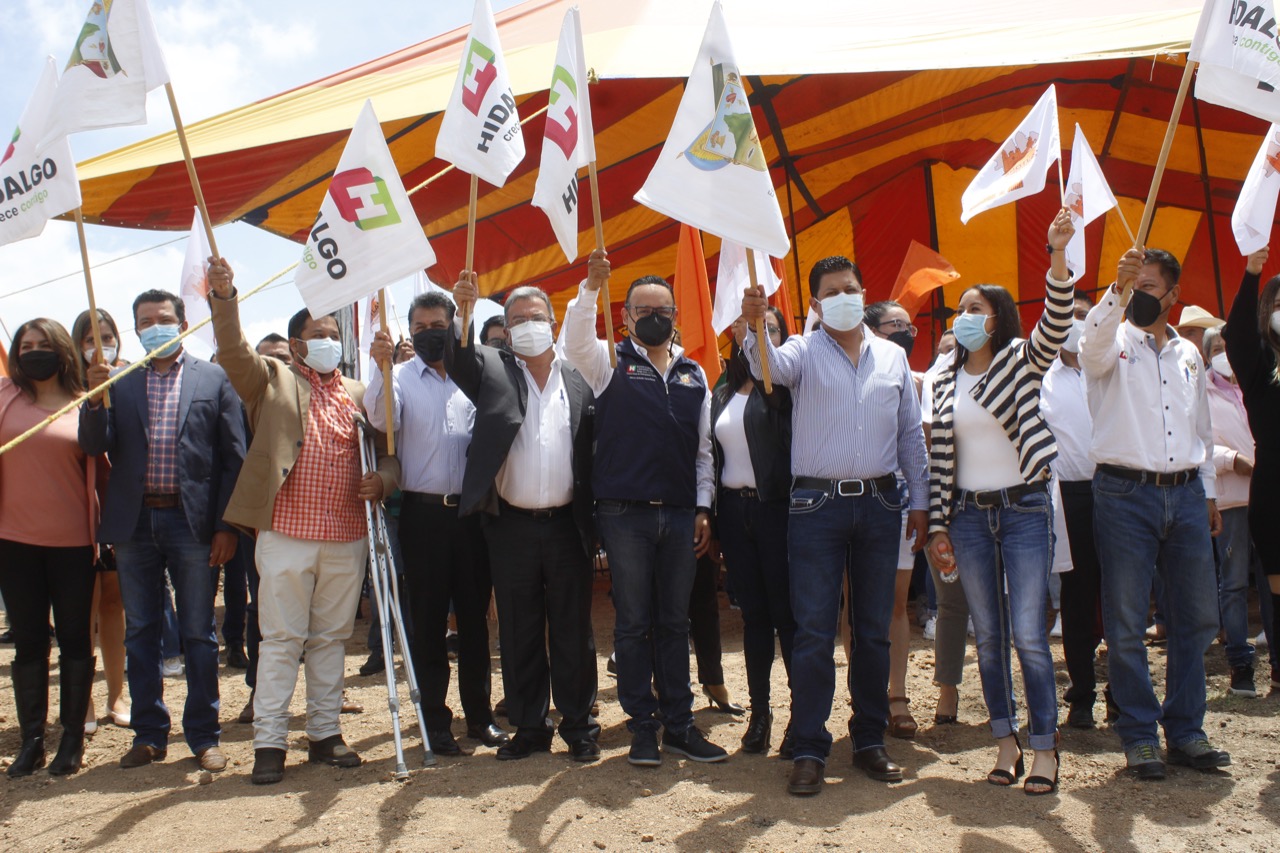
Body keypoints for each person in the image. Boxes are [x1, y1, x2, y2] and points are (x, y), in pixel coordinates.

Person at [740, 255, 928, 797]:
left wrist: (920, 503)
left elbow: (911, 437)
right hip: (815, 507)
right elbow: (766, 369)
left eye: (852, 287)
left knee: (871, 630)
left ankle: (869, 739)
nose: (844, 296)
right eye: (832, 291)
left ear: (863, 291)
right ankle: (809, 747)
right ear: (817, 304)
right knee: (815, 632)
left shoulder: (893, 357)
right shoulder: (800, 350)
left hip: (880, 503)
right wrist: (755, 326)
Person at [207, 259, 397, 784]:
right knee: (282, 640)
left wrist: (383, 481)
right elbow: (233, 353)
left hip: (346, 537)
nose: (328, 343)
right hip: (286, 533)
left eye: (334, 335)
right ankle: (269, 741)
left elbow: (391, 451)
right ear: (295, 345)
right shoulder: (269, 380)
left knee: (332, 638)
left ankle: (324, 733)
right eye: (318, 335)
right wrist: (225, 298)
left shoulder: (363, 391)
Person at [926, 209, 1075, 795]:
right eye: (960, 309)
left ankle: (1045, 747)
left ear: (998, 319)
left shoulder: (1019, 361)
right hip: (966, 516)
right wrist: (938, 525)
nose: (964, 317)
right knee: (986, 636)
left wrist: (1056, 251)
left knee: (1029, 636)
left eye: (976, 309)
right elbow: (940, 462)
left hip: (1024, 510)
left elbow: (1057, 324)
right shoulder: (942, 380)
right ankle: (1005, 741)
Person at [563, 250, 728, 767]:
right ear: (626, 317)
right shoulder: (608, 363)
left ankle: (679, 724)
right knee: (633, 623)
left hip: (680, 517)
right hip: (625, 516)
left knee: (674, 622)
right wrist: (590, 288)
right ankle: (641, 725)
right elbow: (574, 341)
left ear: (675, 315)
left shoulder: (694, 373)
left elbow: (704, 451)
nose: (653, 317)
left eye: (663, 310)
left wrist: (704, 507)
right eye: (643, 310)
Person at [432, 275, 600, 762]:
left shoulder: (579, 377)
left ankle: (580, 726)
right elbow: (459, 355)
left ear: (553, 323)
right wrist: (462, 311)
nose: (529, 326)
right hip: (511, 527)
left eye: (536, 318)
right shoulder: (491, 369)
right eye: (518, 320)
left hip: (569, 526)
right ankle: (530, 726)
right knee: (520, 629)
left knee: (573, 630)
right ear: (505, 330)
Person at [80, 289, 246, 772]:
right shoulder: (119, 380)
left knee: (197, 633)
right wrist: (94, 400)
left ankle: (203, 735)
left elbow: (232, 458)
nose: (156, 326)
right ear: (135, 330)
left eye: (165, 318)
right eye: (146, 321)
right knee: (142, 633)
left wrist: (226, 526)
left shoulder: (214, 378)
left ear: (183, 322)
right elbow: (94, 444)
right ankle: (149, 734)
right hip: (133, 525)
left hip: (193, 525)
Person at [1079, 246, 1229, 780]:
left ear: (1173, 296)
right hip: (1124, 494)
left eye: (1148, 286)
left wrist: (1207, 493)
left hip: (1186, 493)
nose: (1139, 292)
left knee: (1198, 617)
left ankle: (1187, 729)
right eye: (1133, 284)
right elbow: (1089, 348)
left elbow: (1203, 431)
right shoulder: (1112, 339)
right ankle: (1140, 734)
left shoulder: (1189, 354)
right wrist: (1115, 292)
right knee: (1125, 622)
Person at [365, 290, 506, 757]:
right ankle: (436, 724)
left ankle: (480, 719)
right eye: (420, 327)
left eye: (438, 325)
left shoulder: (475, 378)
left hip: (472, 517)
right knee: (427, 626)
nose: (430, 334)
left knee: (472, 623)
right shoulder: (400, 378)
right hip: (423, 518)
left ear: (453, 326)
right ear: (409, 330)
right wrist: (380, 366)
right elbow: (378, 415)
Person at [1, 319, 104, 777]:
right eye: (26, 346)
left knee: (75, 639)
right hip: (13, 541)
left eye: (43, 345)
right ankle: (32, 741)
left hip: (73, 542)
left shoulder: (85, 400)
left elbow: (104, 456)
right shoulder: (4, 397)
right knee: (27, 641)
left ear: (60, 350)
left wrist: (100, 403)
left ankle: (72, 740)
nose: (33, 352)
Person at [711, 312, 795, 755]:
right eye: (743, 327)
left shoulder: (785, 391)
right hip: (733, 513)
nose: (754, 334)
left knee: (789, 618)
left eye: (767, 328)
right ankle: (760, 714)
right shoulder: (722, 390)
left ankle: (801, 716)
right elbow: (710, 454)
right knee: (754, 618)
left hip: (776, 512)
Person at [1039, 290, 1110, 729]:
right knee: (1078, 597)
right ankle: (1082, 694)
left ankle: (1123, 695)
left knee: (1124, 595)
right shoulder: (1041, 377)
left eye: (1084, 315)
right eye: (1068, 315)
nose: (1076, 322)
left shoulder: (1114, 368)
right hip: (1069, 496)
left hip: (1119, 491)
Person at [864, 299, 925, 739]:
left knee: (896, 605)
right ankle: (862, 692)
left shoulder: (922, 379)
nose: (904, 330)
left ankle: (897, 694)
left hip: (902, 502)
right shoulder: (855, 374)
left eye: (909, 325)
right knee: (858, 607)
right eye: (894, 323)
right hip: (860, 500)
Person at [69, 308, 131, 732]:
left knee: (114, 603)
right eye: (89, 338)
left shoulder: (131, 377)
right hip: (77, 510)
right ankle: (82, 697)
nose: (99, 344)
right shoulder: (65, 387)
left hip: (120, 507)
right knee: (81, 610)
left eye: (106, 335)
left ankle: (117, 693)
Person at [1223, 245, 1280, 694]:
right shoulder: (1261, 370)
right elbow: (1237, 333)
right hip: (1274, 492)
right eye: (1278, 306)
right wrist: (1251, 274)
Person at [1202, 326, 1261, 697]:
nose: (1225, 352)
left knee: (1273, 580)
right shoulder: (1201, 391)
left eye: (1230, 344)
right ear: (1207, 355)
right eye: (1218, 347)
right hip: (1233, 497)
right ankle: (1240, 662)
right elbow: (1201, 444)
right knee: (1235, 582)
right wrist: (1232, 460)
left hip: (1267, 495)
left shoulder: (1257, 383)